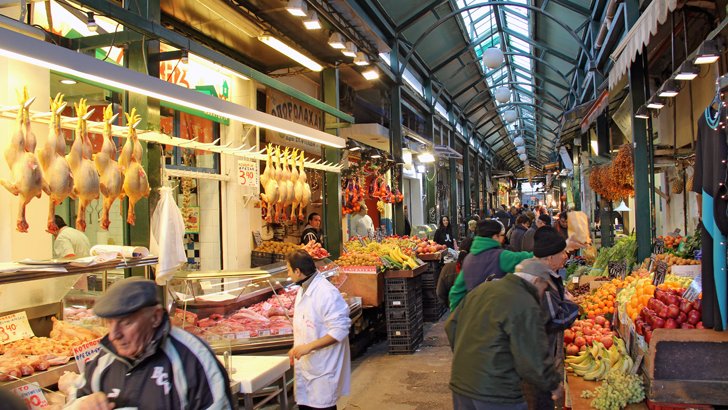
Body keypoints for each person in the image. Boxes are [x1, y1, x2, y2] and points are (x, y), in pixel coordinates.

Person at [60, 277, 234, 409]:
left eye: (126, 322)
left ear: (156, 317)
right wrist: (81, 405)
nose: (114, 336)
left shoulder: (192, 358)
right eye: (110, 323)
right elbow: (76, 399)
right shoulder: (104, 360)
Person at [445, 252, 563, 410]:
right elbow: (532, 355)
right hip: (497, 392)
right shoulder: (525, 303)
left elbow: (451, 325)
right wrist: (553, 383)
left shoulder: (483, 289)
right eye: (544, 287)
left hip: (461, 386)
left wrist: (466, 358)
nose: (543, 294)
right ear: (537, 281)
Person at [518, 227, 580, 410]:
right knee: (538, 402)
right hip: (535, 361)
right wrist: (575, 308)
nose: (565, 257)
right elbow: (554, 319)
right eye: (562, 253)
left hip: (531, 360)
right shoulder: (539, 278)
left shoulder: (531, 268)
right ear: (550, 257)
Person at [287, 250, 351, 410]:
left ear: (297, 271)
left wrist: (308, 347)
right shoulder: (304, 289)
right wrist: (298, 347)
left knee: (322, 405)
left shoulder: (326, 292)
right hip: (308, 367)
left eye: (288, 270)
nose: (288, 274)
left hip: (323, 369)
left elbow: (340, 330)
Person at [448, 220, 533, 310]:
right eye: (501, 235)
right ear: (495, 236)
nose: (502, 239)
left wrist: (456, 317)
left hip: (475, 315)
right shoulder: (501, 256)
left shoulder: (469, 259)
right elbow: (524, 257)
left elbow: (456, 293)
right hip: (496, 314)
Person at [437, 237, 473, 307]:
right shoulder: (478, 268)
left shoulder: (447, 268)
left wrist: (449, 304)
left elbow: (440, 293)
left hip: (454, 309)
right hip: (472, 310)